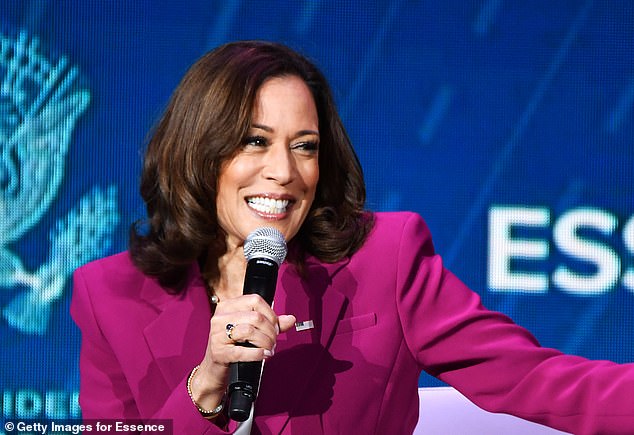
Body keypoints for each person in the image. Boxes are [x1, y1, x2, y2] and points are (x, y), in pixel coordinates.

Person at [71, 40, 634, 435]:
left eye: (305, 146)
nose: (284, 172)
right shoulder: (109, 295)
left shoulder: (385, 258)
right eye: (254, 141)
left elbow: (535, 380)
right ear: (199, 153)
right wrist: (210, 382)